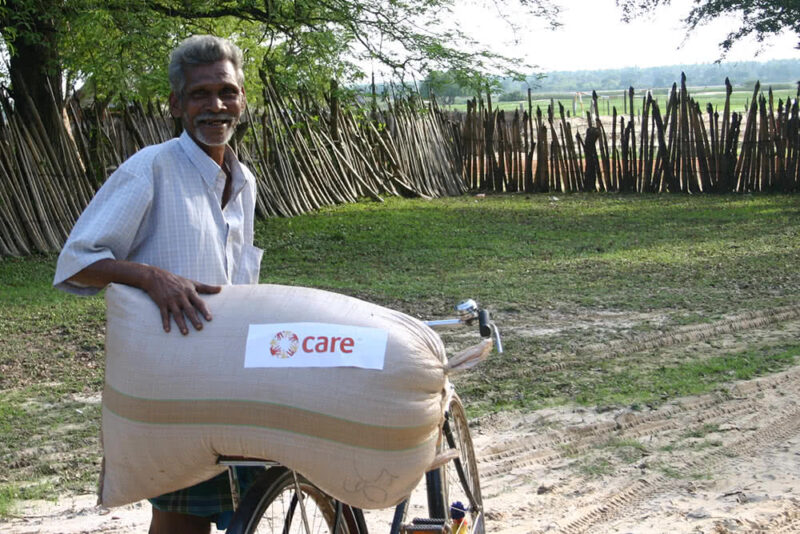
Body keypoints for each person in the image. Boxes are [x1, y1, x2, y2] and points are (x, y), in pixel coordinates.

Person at [54, 35, 263, 534]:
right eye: (199, 95)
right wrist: (151, 277)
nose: (215, 106)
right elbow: (76, 261)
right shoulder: (151, 168)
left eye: (227, 92)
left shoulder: (245, 182)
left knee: (239, 508)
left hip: (235, 376)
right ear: (175, 105)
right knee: (181, 517)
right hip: (175, 382)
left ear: (242, 100)